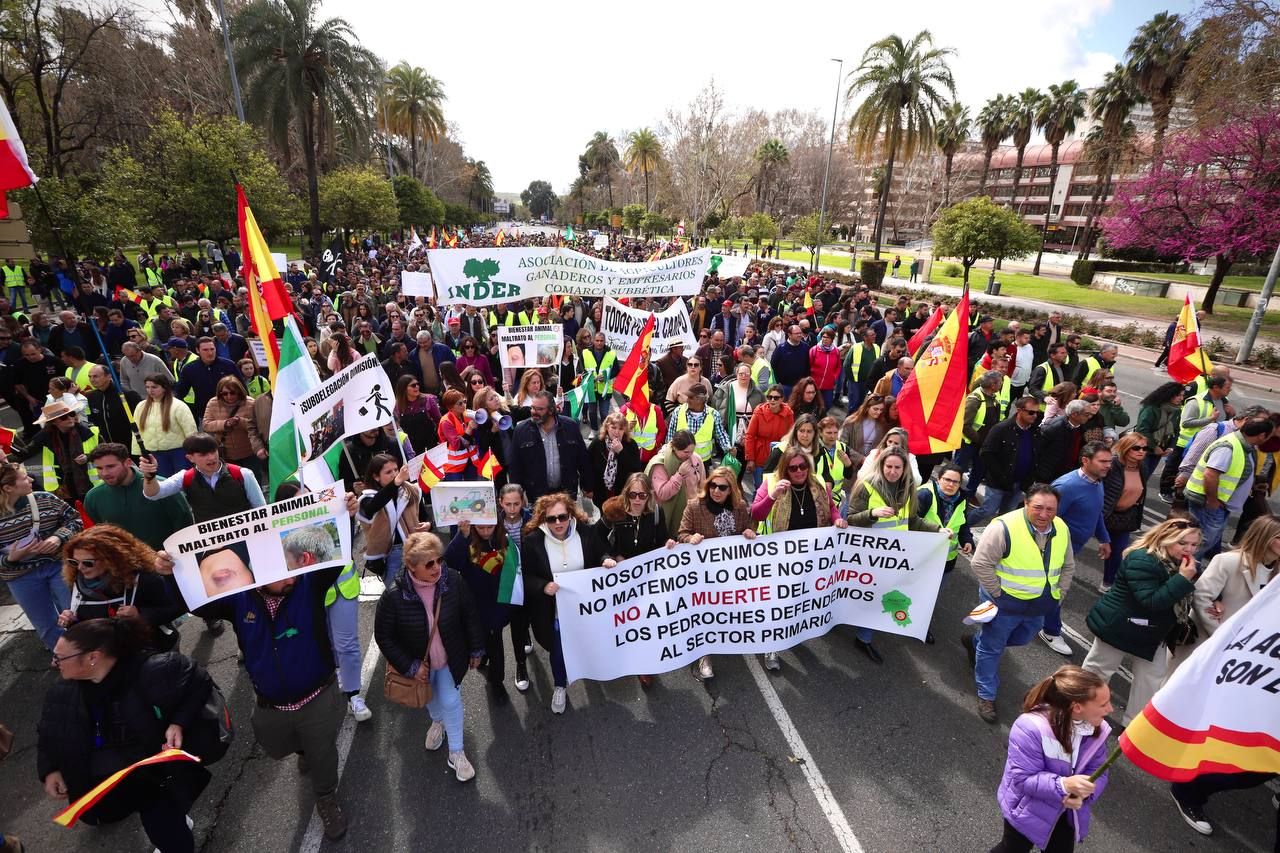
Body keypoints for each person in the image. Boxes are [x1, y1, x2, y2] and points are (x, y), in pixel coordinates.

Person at [184, 539, 350, 839]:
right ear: (258, 575)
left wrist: (344, 516)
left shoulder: (309, 585)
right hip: (271, 704)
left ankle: (326, 797)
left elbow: (336, 557)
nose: (291, 577)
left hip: (317, 698)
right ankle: (302, 749)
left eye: (292, 569)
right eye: (281, 572)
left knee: (323, 754)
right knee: (277, 746)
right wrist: (172, 573)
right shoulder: (238, 601)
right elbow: (194, 601)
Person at [38, 617, 215, 853]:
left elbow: (199, 681)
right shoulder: (61, 690)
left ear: (93, 657)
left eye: (61, 657)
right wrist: (50, 769)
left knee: (166, 831)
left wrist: (178, 723)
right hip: (106, 784)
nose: (54, 662)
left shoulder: (152, 671)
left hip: (152, 780)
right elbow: (49, 731)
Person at [376, 530, 483, 780]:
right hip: (420, 664)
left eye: (439, 560)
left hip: (449, 658)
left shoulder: (453, 581)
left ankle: (456, 752)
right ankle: (438, 722)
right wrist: (410, 667)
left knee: (450, 700)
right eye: (429, 563)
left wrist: (477, 647)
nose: (437, 567)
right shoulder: (393, 596)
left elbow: (470, 614)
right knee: (430, 698)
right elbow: (384, 637)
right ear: (412, 567)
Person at [966, 485, 1075, 723]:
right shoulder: (1003, 527)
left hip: (1039, 606)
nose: (1044, 514)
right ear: (1025, 503)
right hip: (1004, 604)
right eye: (1038, 507)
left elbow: (1068, 565)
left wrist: (1059, 594)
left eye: (1050, 509)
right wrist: (997, 594)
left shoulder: (1062, 528)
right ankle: (986, 694)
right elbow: (980, 564)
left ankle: (976, 642)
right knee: (993, 647)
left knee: (1021, 638)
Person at [1082, 518, 1200, 726]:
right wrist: (1182, 579)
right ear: (1166, 538)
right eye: (1182, 543)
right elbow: (1151, 601)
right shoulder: (1143, 560)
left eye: (1194, 544)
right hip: (1119, 627)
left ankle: (1133, 726)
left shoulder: (1177, 563)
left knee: (1150, 681)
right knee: (1099, 670)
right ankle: (1080, 712)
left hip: (1152, 633)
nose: (1189, 549)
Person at [989, 666, 1113, 853]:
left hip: (1066, 810)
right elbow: (1024, 780)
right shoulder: (1030, 728)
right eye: (1103, 704)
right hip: (1027, 808)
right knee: (1013, 849)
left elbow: (1098, 769)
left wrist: (1084, 793)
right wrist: (1065, 786)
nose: (1110, 709)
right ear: (1077, 707)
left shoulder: (1096, 729)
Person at [845, 447, 943, 661]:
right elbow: (851, 519)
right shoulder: (867, 486)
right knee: (869, 595)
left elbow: (913, 520)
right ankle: (862, 635)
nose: (892, 471)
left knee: (881, 595)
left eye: (897, 467)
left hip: (895, 557)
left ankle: (864, 635)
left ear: (904, 468)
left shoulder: (908, 489)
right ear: (881, 465)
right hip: (868, 555)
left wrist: (937, 530)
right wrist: (872, 514)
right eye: (888, 466)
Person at [521, 493, 615, 714]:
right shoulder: (533, 541)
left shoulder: (586, 532)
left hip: (586, 609)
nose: (557, 523)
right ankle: (560, 685)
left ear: (571, 514)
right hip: (554, 612)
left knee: (588, 642)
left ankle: (590, 670)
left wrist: (605, 560)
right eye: (551, 519)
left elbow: (600, 552)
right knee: (559, 651)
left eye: (562, 517)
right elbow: (526, 576)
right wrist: (543, 586)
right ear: (543, 519)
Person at [677, 466, 758, 677]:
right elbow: (682, 533)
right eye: (713, 485)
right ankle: (704, 657)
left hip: (731, 574)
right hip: (703, 575)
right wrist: (689, 538)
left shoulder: (740, 507)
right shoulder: (694, 506)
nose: (716, 491)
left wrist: (749, 531)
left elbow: (747, 528)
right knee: (704, 616)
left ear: (731, 490)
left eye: (722, 487)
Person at [1038, 442, 1115, 657]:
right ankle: (1050, 631)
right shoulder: (1066, 487)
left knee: (1050, 587)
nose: (1108, 466)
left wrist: (1104, 538)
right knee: (1056, 589)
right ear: (1085, 461)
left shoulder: (1096, 481)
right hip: (1057, 549)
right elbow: (1045, 520)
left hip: (1072, 548)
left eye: (1109, 461)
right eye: (1103, 461)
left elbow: (1096, 512)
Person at [597, 472, 673, 688]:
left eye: (642, 495)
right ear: (626, 494)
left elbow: (662, 540)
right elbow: (598, 539)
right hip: (621, 577)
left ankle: (644, 665)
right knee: (624, 621)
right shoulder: (614, 512)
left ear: (649, 495)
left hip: (647, 578)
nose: (638, 500)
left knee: (645, 622)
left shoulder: (656, 513)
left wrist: (668, 545)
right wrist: (609, 557)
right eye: (633, 494)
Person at [55, 523, 184, 647]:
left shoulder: (143, 579)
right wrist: (72, 621)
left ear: (111, 559)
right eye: (74, 562)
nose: (80, 568)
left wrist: (140, 615)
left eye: (88, 563)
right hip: (110, 657)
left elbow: (178, 606)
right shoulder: (78, 584)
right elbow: (90, 625)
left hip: (153, 650)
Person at [0, 462, 82, 651]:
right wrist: (11, 559)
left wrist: (57, 537)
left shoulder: (44, 499)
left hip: (57, 566)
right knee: (45, 625)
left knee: (75, 613)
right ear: (8, 487)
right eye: (24, 478)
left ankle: (88, 652)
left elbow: (75, 519)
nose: (31, 479)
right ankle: (63, 656)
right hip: (20, 577)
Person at [1183, 418, 1273, 560]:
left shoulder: (1245, 446)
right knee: (1203, 540)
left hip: (1220, 503)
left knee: (1206, 539)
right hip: (1208, 502)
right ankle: (1184, 566)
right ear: (1262, 435)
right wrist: (1212, 500)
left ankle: (1191, 565)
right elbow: (1210, 475)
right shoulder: (1228, 446)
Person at [84, 443, 194, 551]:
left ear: (127, 462)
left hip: (166, 561)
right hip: (123, 564)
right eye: (99, 468)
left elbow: (184, 524)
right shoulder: (93, 497)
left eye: (110, 466)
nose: (104, 473)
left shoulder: (162, 487)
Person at [916, 464, 973, 641]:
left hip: (947, 559)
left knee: (932, 595)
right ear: (939, 478)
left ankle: (920, 626)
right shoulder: (924, 494)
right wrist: (935, 531)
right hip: (921, 556)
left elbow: (963, 524)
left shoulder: (962, 499)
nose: (950, 485)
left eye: (955, 482)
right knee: (915, 589)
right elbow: (911, 521)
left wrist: (967, 540)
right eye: (947, 480)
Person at [357, 455, 427, 589]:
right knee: (397, 595)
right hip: (391, 555)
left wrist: (428, 525)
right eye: (388, 472)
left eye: (396, 470)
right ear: (376, 477)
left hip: (416, 548)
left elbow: (424, 516)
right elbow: (373, 507)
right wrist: (397, 481)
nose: (395, 474)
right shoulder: (367, 498)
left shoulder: (410, 490)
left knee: (421, 590)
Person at [510, 390, 592, 503]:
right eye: (532, 408)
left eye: (540, 409)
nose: (534, 412)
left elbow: (583, 459)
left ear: (551, 410)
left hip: (566, 493)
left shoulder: (570, 426)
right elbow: (515, 466)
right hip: (536, 495)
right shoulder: (521, 431)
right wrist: (517, 495)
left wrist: (588, 485)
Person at [24, 400, 101, 504]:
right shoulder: (46, 437)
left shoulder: (88, 431)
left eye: (72, 414)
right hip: (65, 487)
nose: (70, 418)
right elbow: (24, 453)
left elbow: (106, 451)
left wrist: (88, 457)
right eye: (64, 417)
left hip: (89, 483)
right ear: (54, 422)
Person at [201, 376, 265, 480]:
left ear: (239, 391)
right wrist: (225, 424)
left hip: (248, 452)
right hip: (226, 454)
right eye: (225, 393)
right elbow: (206, 425)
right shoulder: (213, 403)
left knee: (253, 481)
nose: (229, 396)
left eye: (232, 393)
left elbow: (258, 426)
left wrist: (241, 422)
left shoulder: (250, 403)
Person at [586, 411, 642, 506]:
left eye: (621, 429)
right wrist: (588, 488)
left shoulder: (631, 444)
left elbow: (635, 469)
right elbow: (587, 466)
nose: (617, 432)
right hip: (601, 492)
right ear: (607, 427)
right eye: (613, 427)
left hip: (622, 493)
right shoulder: (597, 443)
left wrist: (621, 452)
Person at [1135, 381, 1185, 482]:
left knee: (1145, 478)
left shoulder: (1177, 410)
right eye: (1178, 395)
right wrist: (1154, 447)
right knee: (1139, 478)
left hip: (1160, 451)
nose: (1181, 398)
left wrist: (1171, 447)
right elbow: (1143, 430)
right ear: (1169, 395)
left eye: (1182, 395)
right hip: (1144, 449)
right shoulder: (1151, 409)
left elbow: (1176, 430)